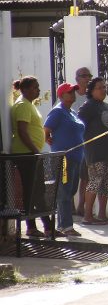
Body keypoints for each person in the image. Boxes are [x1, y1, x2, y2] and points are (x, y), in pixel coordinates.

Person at [10, 76, 57, 237]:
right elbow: (22, 131)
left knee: (37, 190)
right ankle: (35, 227)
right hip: (26, 154)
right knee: (33, 191)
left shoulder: (29, 105)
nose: (37, 90)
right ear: (25, 89)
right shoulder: (23, 105)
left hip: (31, 153)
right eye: (35, 87)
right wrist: (34, 150)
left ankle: (46, 226)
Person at [44, 83, 86, 236]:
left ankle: (63, 224)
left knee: (70, 190)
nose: (73, 94)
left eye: (74, 91)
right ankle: (67, 226)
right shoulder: (58, 112)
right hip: (63, 159)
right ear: (61, 96)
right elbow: (47, 130)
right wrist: (48, 139)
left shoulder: (72, 112)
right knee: (65, 192)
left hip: (76, 158)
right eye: (69, 92)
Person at [77, 77, 108, 225]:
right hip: (96, 152)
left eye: (104, 87)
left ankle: (102, 215)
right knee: (95, 182)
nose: (103, 90)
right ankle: (88, 215)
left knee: (106, 184)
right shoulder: (88, 106)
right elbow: (78, 125)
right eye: (100, 87)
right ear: (91, 90)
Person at [73, 67, 93, 217]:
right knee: (73, 176)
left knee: (86, 176)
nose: (87, 78)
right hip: (74, 143)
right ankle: (70, 207)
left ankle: (81, 206)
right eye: (84, 76)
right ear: (77, 78)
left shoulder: (91, 97)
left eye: (89, 76)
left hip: (89, 142)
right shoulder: (70, 95)